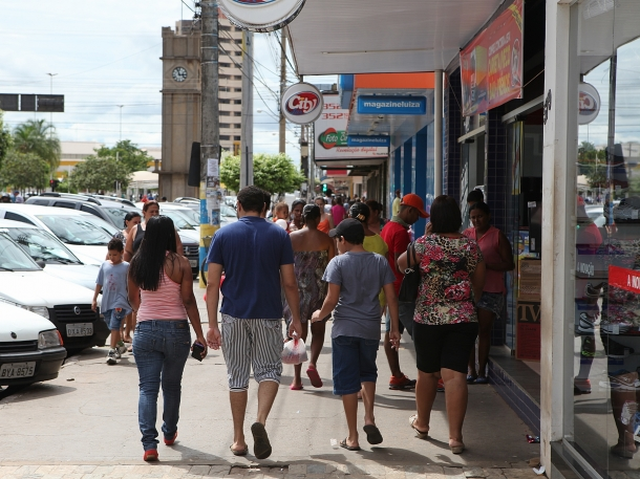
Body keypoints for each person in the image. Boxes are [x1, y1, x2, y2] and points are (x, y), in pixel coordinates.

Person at [205, 185, 302, 460]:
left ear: (238, 205)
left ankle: (238, 439)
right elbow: (290, 283)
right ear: (265, 207)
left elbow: (212, 284)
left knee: (237, 375)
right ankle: (259, 419)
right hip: (269, 315)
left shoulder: (223, 235)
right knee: (269, 371)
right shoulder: (279, 235)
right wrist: (296, 317)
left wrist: (212, 324)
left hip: (233, 315)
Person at [398, 195, 485, 455]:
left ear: (433, 219)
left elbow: (401, 265)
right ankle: (455, 438)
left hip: (428, 317)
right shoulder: (470, 246)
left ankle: (422, 423)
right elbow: (478, 282)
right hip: (463, 317)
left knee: (426, 372)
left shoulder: (423, 244)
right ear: (458, 218)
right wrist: (465, 304)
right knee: (455, 374)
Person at [311, 218, 401, 451]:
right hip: (370, 328)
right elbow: (391, 297)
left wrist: (318, 315)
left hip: (344, 330)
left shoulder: (338, 263)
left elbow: (331, 299)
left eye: (337, 239)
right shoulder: (380, 262)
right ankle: (369, 418)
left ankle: (352, 437)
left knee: (347, 383)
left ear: (343, 240)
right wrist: (393, 328)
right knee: (367, 372)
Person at [127, 215, 207, 462]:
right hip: (176, 331)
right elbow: (188, 300)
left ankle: (149, 445)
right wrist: (200, 335)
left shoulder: (137, 264)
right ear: (171, 235)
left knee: (147, 389)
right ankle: (169, 432)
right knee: (172, 386)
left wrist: (146, 314)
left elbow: (133, 301)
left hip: (146, 331)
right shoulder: (181, 263)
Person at [283, 204, 335, 390]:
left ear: (303, 217)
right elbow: (332, 268)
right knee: (318, 331)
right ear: (318, 219)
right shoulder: (327, 240)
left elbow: (284, 266)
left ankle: (296, 380)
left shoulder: (290, 238)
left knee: (298, 334)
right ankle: (312, 363)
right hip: (319, 291)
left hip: (295, 292)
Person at [380, 193, 429, 390]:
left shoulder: (388, 227)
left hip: (392, 289)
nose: (417, 219)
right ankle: (432, 376)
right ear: (409, 211)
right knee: (420, 335)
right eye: (417, 215)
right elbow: (403, 264)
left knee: (392, 333)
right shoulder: (399, 232)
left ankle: (397, 376)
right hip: (403, 292)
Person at [462, 202, 514, 384]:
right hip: (468, 290)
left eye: (480, 216)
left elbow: (509, 264)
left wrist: (485, 265)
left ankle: (482, 371)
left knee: (484, 331)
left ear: (488, 216)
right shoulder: (466, 235)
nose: (476, 220)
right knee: (468, 332)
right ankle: (471, 370)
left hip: (491, 290)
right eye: (473, 217)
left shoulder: (497, 236)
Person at [573, 196, 603, 395]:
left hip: (583, 295)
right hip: (573, 293)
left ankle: (583, 377)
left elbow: (597, 271)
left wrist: (592, 299)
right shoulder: (578, 229)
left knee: (586, 335)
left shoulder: (589, 233)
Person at [91, 238, 131, 365]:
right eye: (110, 254)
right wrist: (94, 298)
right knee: (110, 324)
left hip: (120, 301)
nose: (112, 257)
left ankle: (112, 350)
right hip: (107, 301)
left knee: (115, 325)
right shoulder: (105, 265)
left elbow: (130, 285)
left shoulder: (126, 267)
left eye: (115, 254)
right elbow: (99, 283)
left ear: (121, 252)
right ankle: (120, 344)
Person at [114, 211, 142, 344]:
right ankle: (119, 333)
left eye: (139, 222)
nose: (137, 224)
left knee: (132, 304)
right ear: (127, 222)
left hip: (135, 272)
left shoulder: (139, 234)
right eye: (134, 222)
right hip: (122, 272)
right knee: (120, 303)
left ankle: (128, 333)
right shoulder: (120, 236)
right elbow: (111, 253)